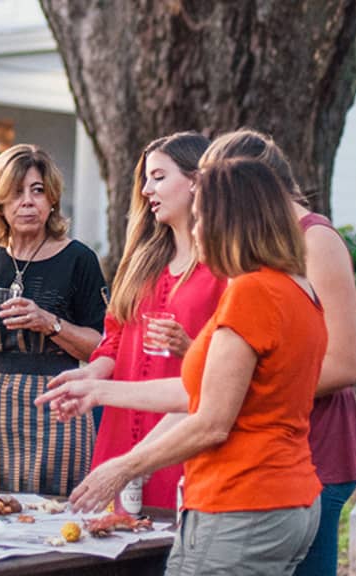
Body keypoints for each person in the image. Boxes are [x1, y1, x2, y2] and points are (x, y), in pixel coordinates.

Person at [38, 158, 325, 574]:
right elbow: (203, 393)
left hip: (241, 502)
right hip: (289, 500)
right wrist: (100, 390)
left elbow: (211, 421)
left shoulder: (251, 292)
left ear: (232, 221)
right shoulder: (298, 289)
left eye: (203, 215)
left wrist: (123, 467)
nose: (195, 228)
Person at [200, 129, 356, 576]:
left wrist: (240, 393)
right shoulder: (257, 242)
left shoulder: (315, 239)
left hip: (318, 452)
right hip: (268, 458)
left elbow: (345, 362)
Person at [49, 132, 225, 508]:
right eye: (145, 179)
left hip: (181, 433)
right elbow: (114, 338)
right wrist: (90, 375)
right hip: (120, 426)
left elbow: (233, 367)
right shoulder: (140, 260)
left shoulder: (226, 267)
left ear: (196, 181)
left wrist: (188, 346)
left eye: (159, 177)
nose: (146, 189)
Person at [0, 143, 107, 495]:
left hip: (61, 399)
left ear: (52, 200)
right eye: (16, 192)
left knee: (60, 516)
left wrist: (49, 322)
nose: (28, 201)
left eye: (37, 191)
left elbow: (103, 348)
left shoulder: (79, 259)